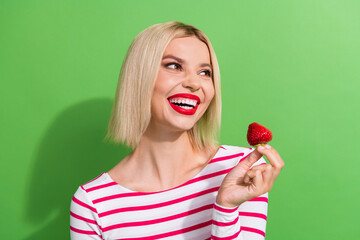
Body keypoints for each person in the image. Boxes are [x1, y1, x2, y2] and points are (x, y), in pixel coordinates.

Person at [70, 21, 284, 239]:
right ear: (139, 77)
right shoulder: (92, 204)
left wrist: (226, 208)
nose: (194, 83)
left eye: (205, 72)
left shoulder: (240, 169)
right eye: (174, 66)